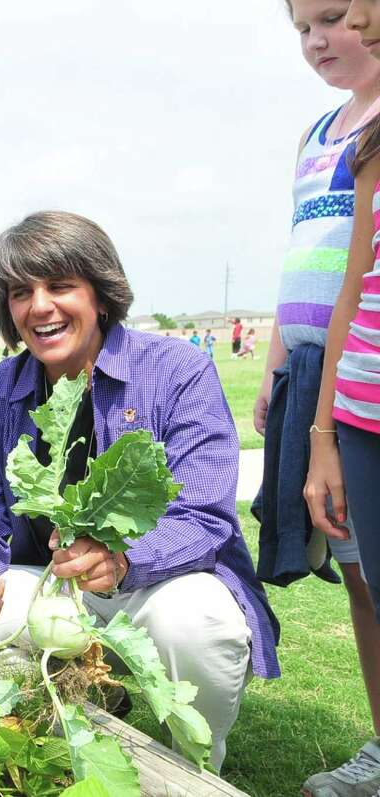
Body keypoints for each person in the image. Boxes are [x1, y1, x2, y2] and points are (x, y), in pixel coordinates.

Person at [0, 211, 279, 771]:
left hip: (159, 581)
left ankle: (192, 767)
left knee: (197, 627)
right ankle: (31, 749)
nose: (39, 306)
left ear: (100, 293)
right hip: (48, 581)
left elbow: (205, 516)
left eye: (60, 286)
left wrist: (124, 558)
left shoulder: (178, 371)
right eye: (21, 292)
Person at [304, 2, 380, 792]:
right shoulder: (345, 140)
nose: (322, 37)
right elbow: (342, 285)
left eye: (338, 15)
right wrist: (317, 423)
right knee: (363, 575)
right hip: (343, 397)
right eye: (304, 26)